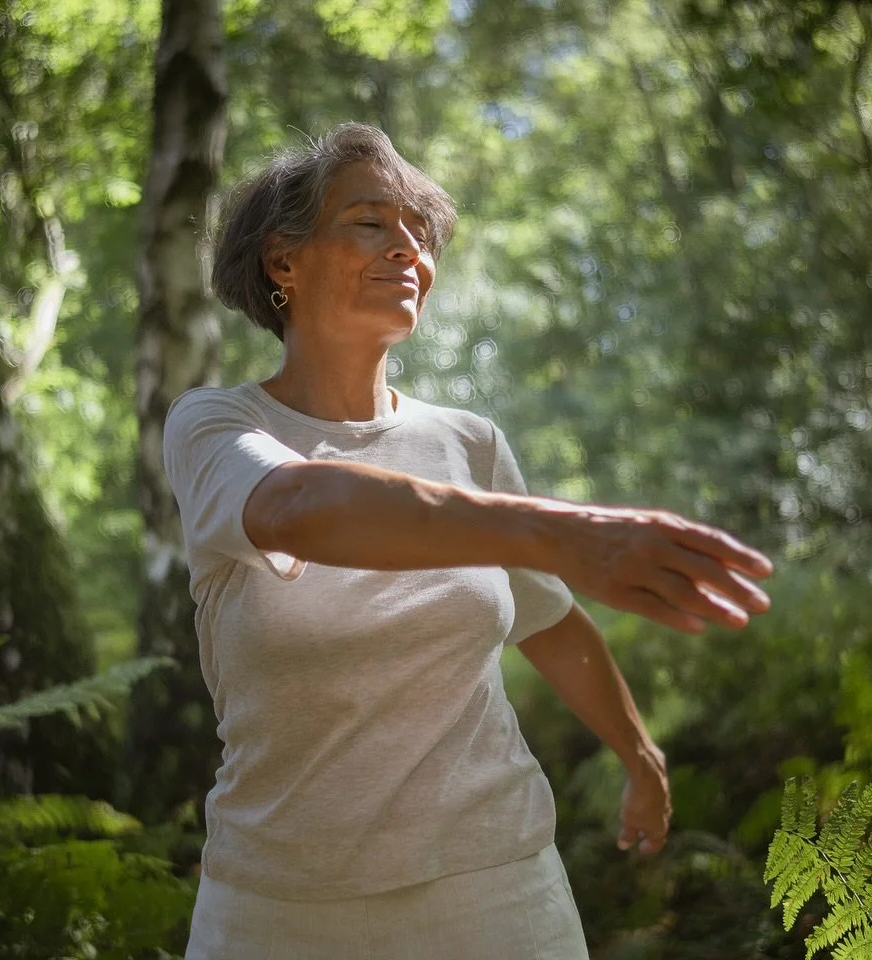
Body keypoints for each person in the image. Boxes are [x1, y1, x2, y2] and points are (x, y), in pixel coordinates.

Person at [164, 123, 773, 960]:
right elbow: (299, 504)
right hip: (275, 906)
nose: (407, 249)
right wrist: (568, 531)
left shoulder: (469, 443)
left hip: (498, 890)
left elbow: (548, 622)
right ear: (283, 261)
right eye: (370, 223)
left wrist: (641, 757)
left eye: (420, 233)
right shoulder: (217, 426)